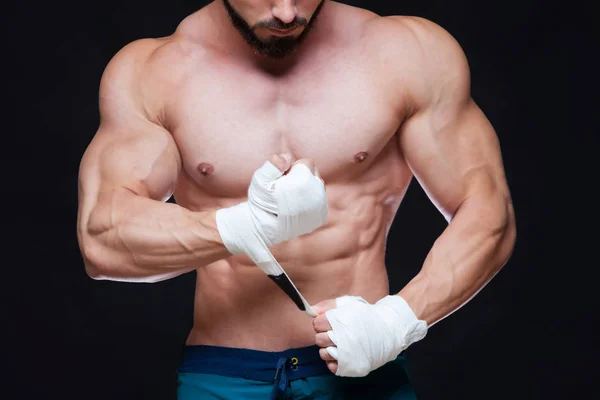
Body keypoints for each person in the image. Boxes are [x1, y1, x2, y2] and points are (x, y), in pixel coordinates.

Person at [77, 1, 516, 398]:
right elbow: (103, 238)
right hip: (223, 373)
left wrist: (399, 321)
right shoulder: (151, 72)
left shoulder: (407, 53)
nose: (287, 14)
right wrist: (246, 226)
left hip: (363, 372)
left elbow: (488, 211)